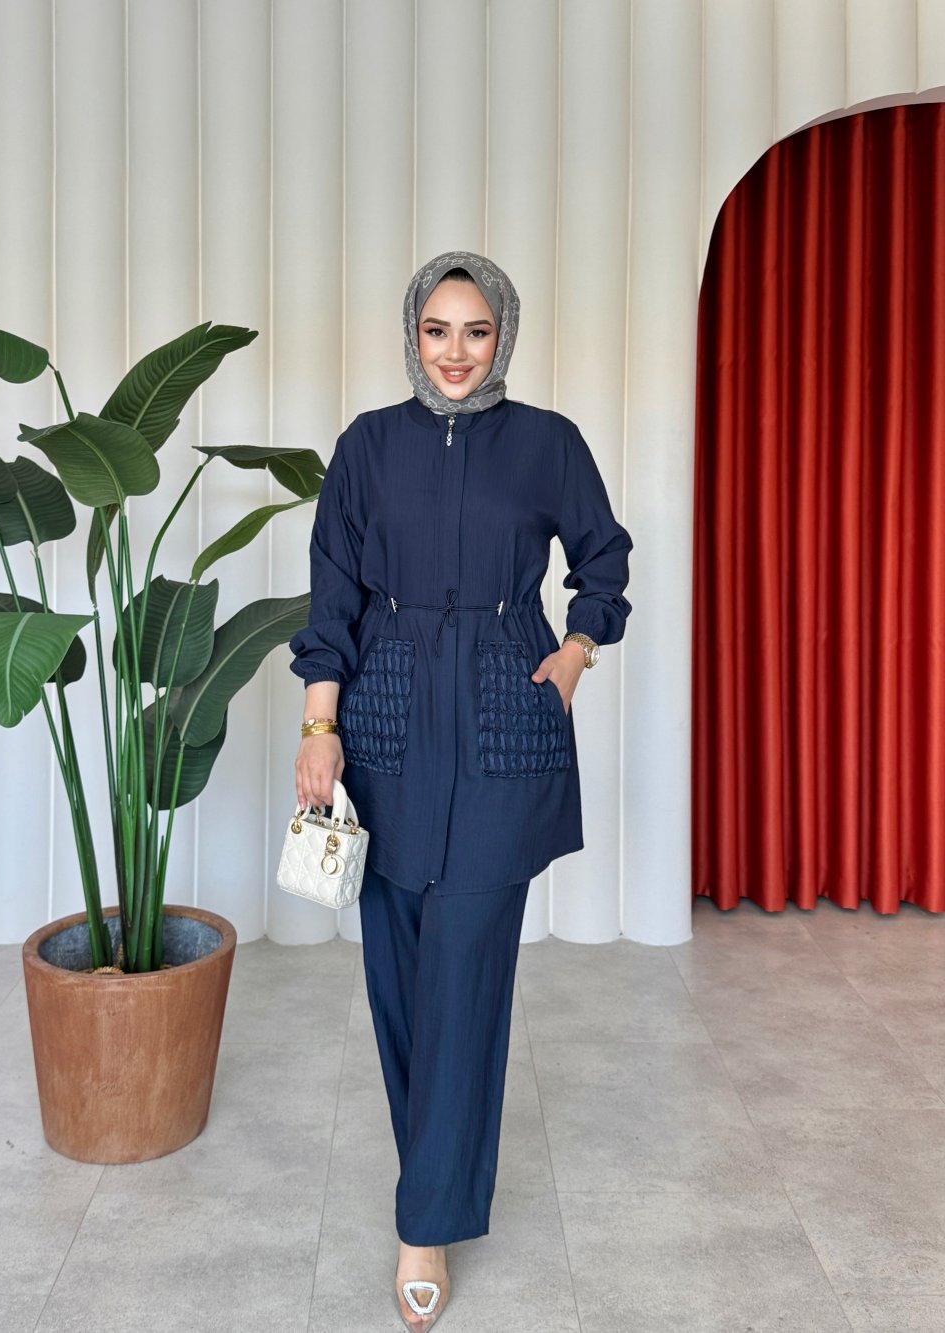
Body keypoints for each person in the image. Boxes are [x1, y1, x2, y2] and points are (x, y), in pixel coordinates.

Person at [289, 250, 632, 1329]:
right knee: (398, 974)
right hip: (385, 715)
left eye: (475, 330)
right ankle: (431, 1179)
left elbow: (605, 559)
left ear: (503, 335)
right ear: (412, 334)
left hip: (501, 714)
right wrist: (320, 726)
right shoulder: (367, 446)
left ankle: (422, 1220)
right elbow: (332, 596)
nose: (455, 351)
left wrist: (574, 650)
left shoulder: (548, 442)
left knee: (468, 974)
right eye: (437, 329)